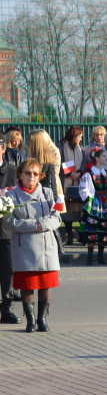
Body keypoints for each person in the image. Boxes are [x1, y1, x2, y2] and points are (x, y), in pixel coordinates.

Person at [5, 159, 61, 333]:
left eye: (35, 174)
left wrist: (41, 225)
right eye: (28, 173)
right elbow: (7, 222)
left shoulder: (48, 193)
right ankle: (30, 320)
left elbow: (57, 218)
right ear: (20, 174)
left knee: (45, 283)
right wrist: (32, 225)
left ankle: (42, 319)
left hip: (46, 246)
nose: (32, 177)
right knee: (27, 285)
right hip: (24, 247)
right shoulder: (8, 196)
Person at [77, 147, 107, 264]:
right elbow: (84, 189)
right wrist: (90, 200)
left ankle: (101, 256)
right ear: (96, 158)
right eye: (103, 156)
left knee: (104, 229)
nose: (106, 158)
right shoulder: (89, 174)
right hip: (95, 203)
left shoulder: (106, 173)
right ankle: (90, 257)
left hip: (106, 202)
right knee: (92, 228)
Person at [0, 138, 20, 325]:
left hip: (5, 229)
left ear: (3, 149)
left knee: (8, 271)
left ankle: (6, 308)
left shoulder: (13, 171)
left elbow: (16, 198)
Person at [60, 126, 86, 246]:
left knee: (79, 208)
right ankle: (69, 235)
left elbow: (84, 162)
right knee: (67, 209)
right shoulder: (62, 147)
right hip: (66, 181)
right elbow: (60, 162)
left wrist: (79, 173)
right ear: (73, 135)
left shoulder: (81, 148)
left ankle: (82, 234)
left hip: (78, 181)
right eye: (79, 136)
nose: (80, 139)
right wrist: (71, 174)